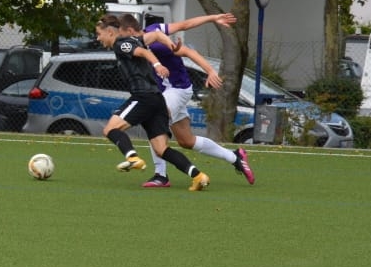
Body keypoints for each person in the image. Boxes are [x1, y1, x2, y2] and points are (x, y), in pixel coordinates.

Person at [121, 12, 255, 188]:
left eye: (122, 36)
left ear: (130, 31)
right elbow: (183, 25)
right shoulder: (149, 35)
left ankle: (161, 175)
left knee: (153, 119)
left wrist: (210, 71)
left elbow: (187, 50)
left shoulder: (155, 44)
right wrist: (212, 18)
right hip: (168, 93)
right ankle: (235, 156)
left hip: (177, 90)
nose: (122, 42)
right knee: (186, 141)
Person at [94, 13, 209, 191]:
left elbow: (143, 52)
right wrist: (170, 45)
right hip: (157, 100)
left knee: (110, 129)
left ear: (110, 32)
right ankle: (198, 176)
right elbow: (155, 35)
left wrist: (157, 65)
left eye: (99, 34)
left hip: (143, 97)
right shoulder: (135, 39)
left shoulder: (120, 44)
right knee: (161, 149)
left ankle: (132, 157)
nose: (97, 38)